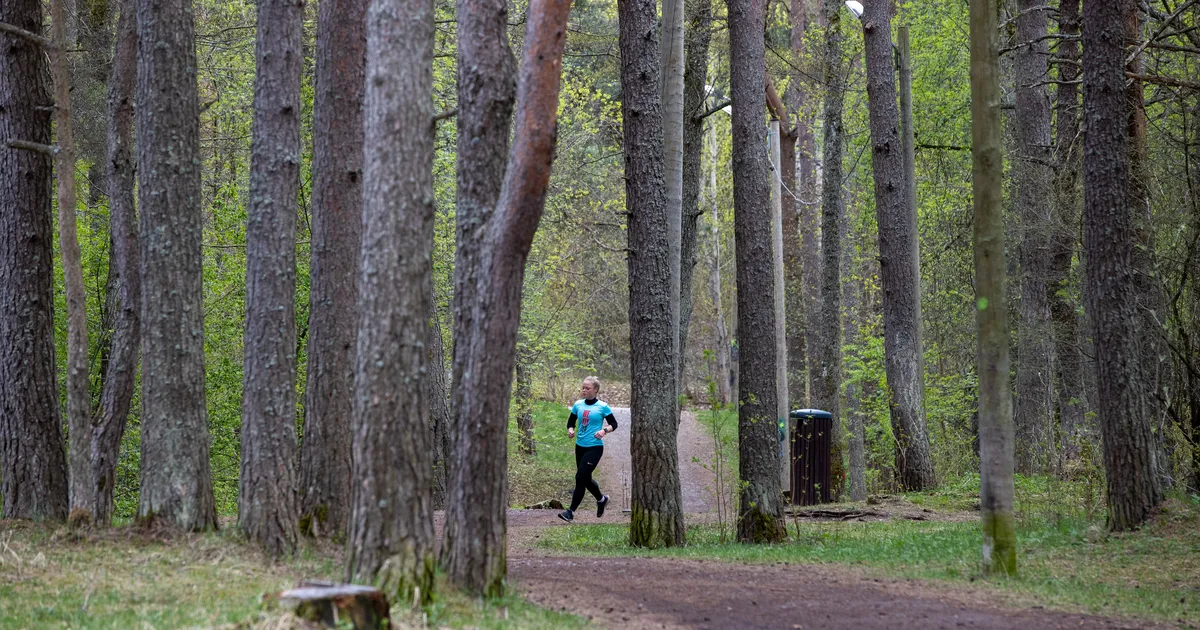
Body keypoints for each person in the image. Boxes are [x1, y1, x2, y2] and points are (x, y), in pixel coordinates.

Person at [559, 376, 617, 523]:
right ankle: (601, 499)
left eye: (587, 388)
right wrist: (570, 430)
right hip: (580, 447)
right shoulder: (578, 405)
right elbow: (571, 421)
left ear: (595, 390)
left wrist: (604, 431)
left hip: (595, 447)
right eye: (583, 387)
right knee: (585, 478)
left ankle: (570, 512)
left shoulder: (603, 406)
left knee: (580, 477)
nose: (584, 390)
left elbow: (614, 424)